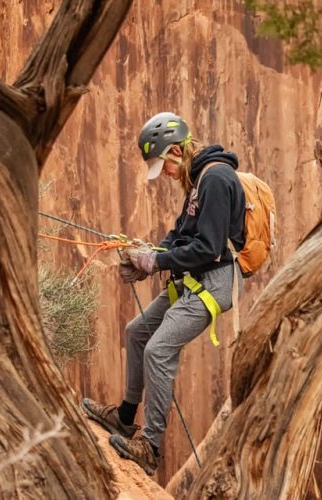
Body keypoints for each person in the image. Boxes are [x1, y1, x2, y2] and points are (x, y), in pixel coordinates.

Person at [81, 112, 245, 475]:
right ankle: (125, 418)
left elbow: (208, 247)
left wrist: (157, 263)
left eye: (163, 165)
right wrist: (148, 258)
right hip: (192, 278)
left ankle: (151, 448)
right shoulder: (196, 180)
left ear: (175, 150)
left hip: (214, 283)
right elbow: (179, 235)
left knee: (158, 350)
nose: (164, 173)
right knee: (137, 332)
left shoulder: (215, 178)